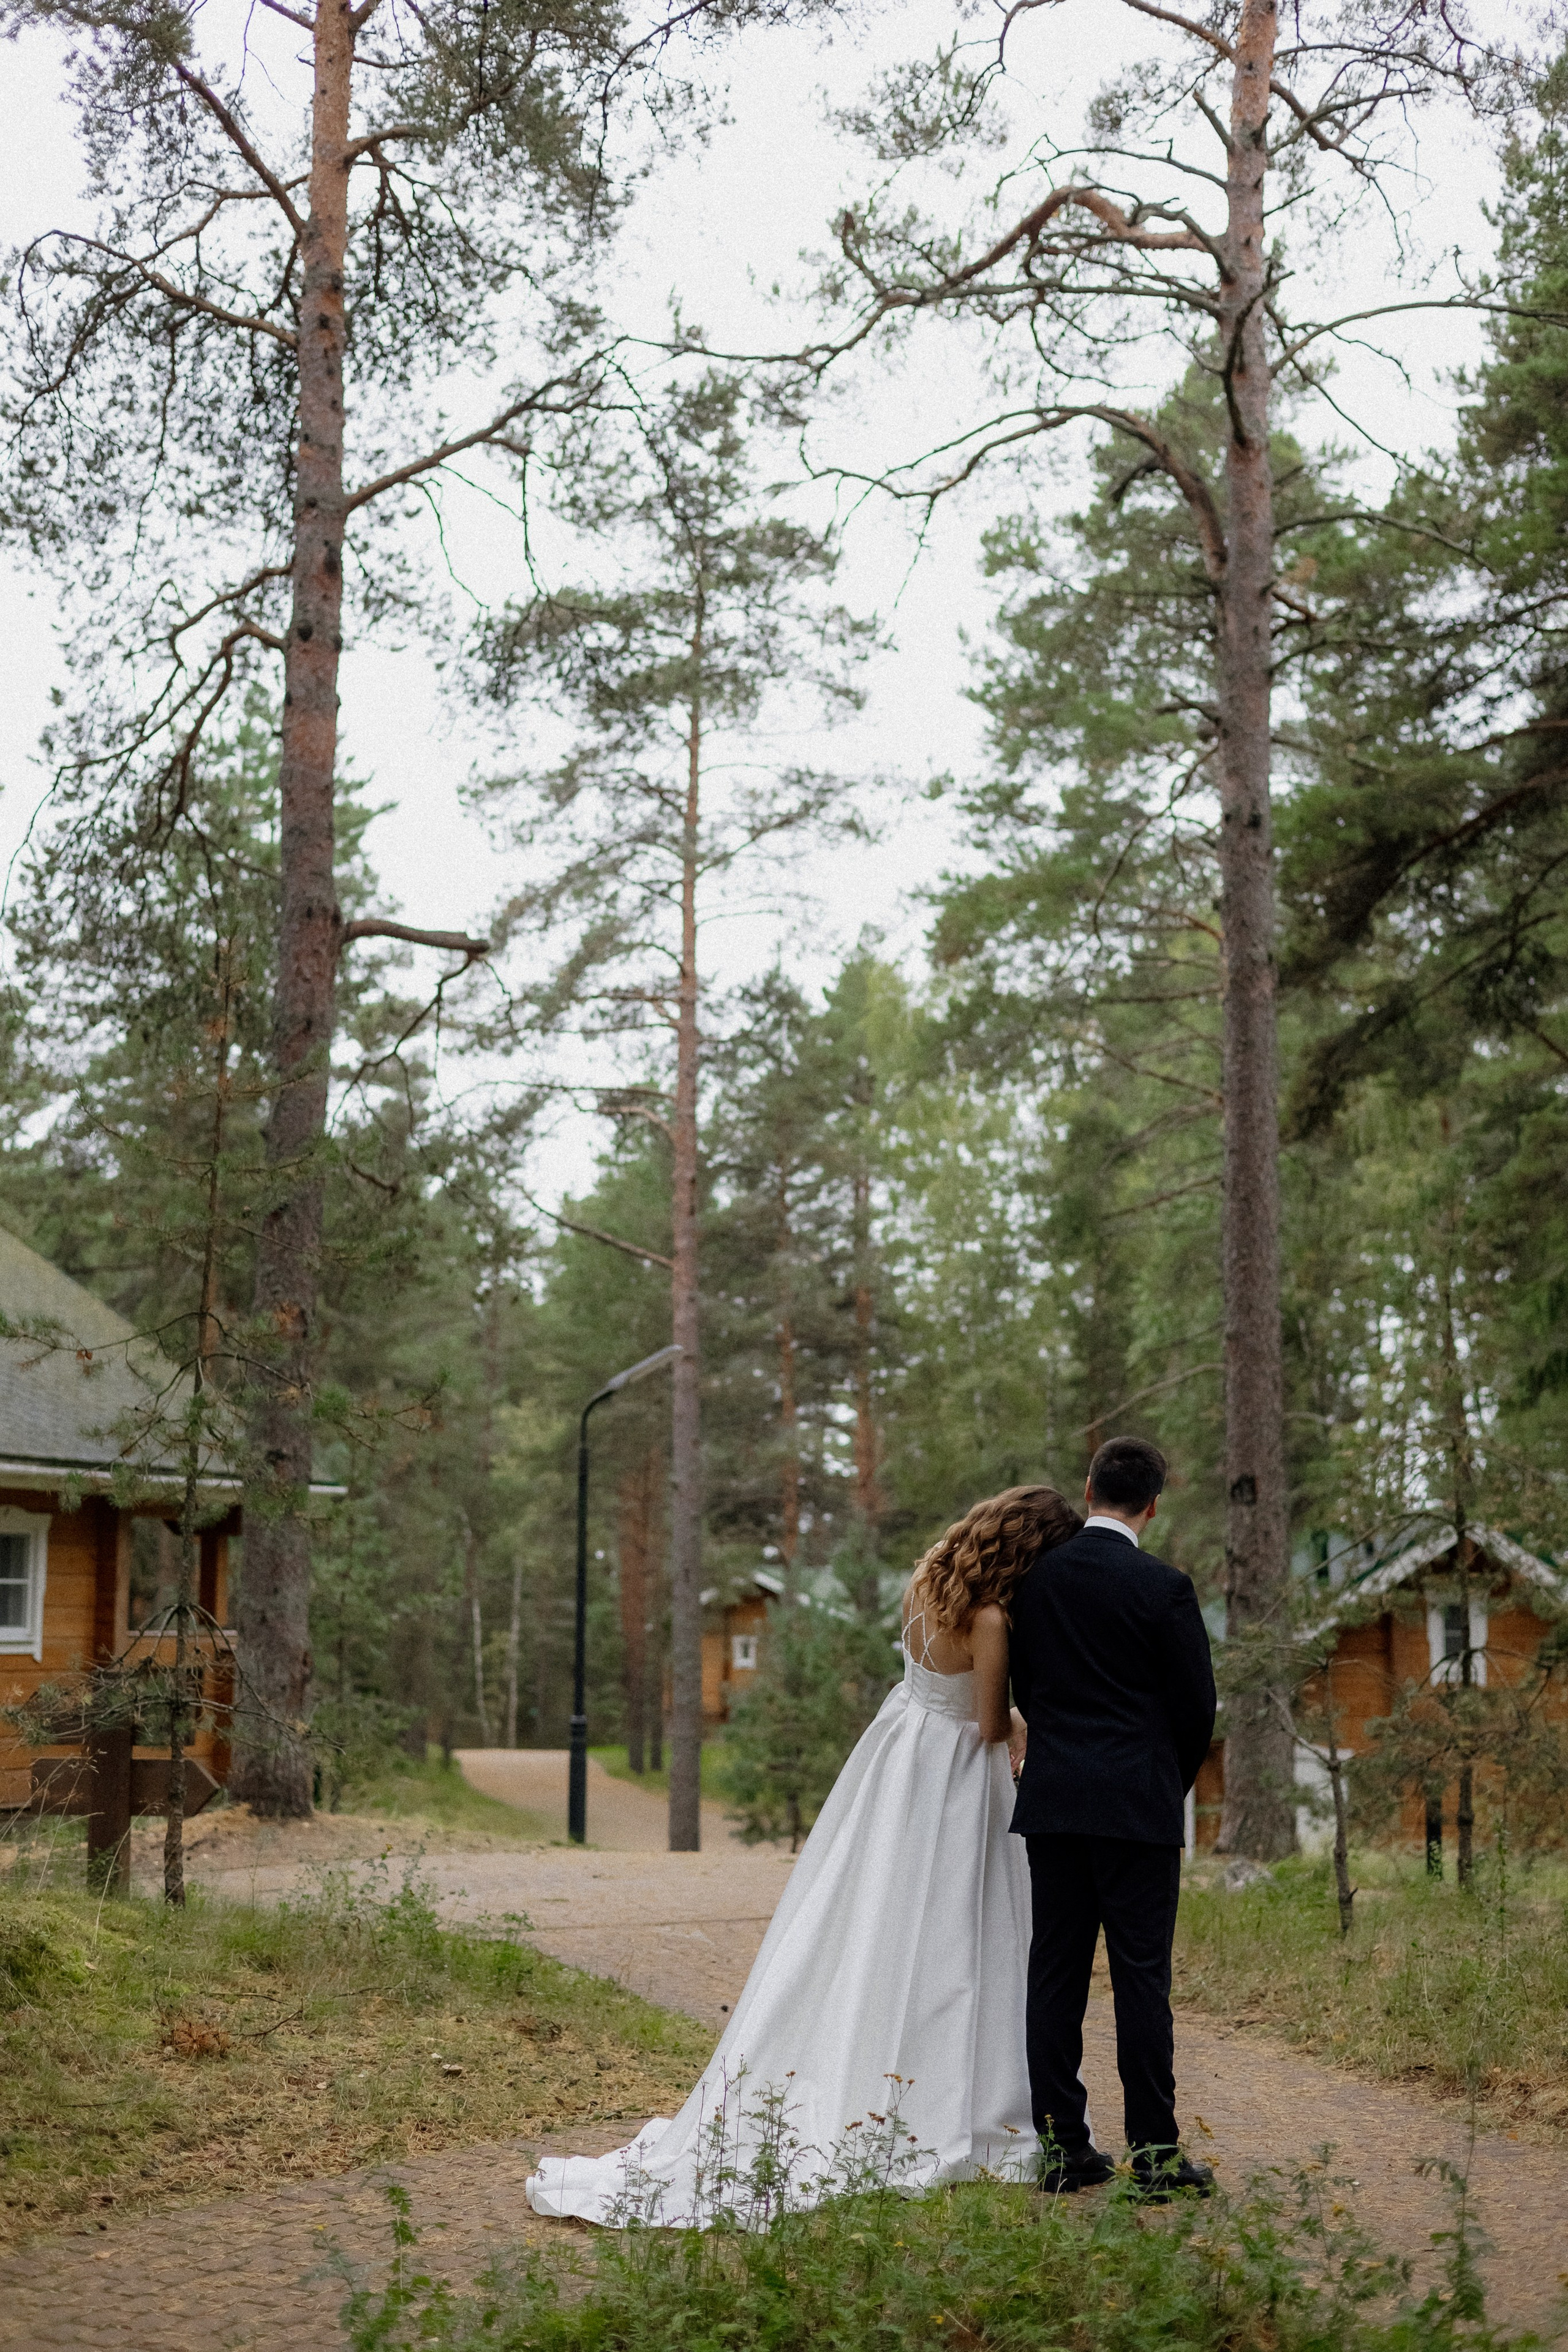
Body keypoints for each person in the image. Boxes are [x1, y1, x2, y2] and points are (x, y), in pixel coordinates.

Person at [524, 1483, 1084, 2226]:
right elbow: (984, 1726)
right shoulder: (988, 1621)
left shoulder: (925, 1579)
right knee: (957, 1923)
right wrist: (1026, 1719)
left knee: (880, 1910)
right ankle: (956, 2091)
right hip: (953, 1776)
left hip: (899, 1757)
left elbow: (926, 1683)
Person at [1008, 1434, 1217, 2199]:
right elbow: (1196, 1707)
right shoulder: (1165, 1588)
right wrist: (1164, 1784)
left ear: (1089, 1489)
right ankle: (1154, 2158)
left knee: (1055, 1975)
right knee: (1140, 1981)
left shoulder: (1035, 1583)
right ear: (1153, 1506)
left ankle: (1064, 2152)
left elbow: (1026, 1687)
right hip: (1137, 1809)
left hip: (1056, 1804)